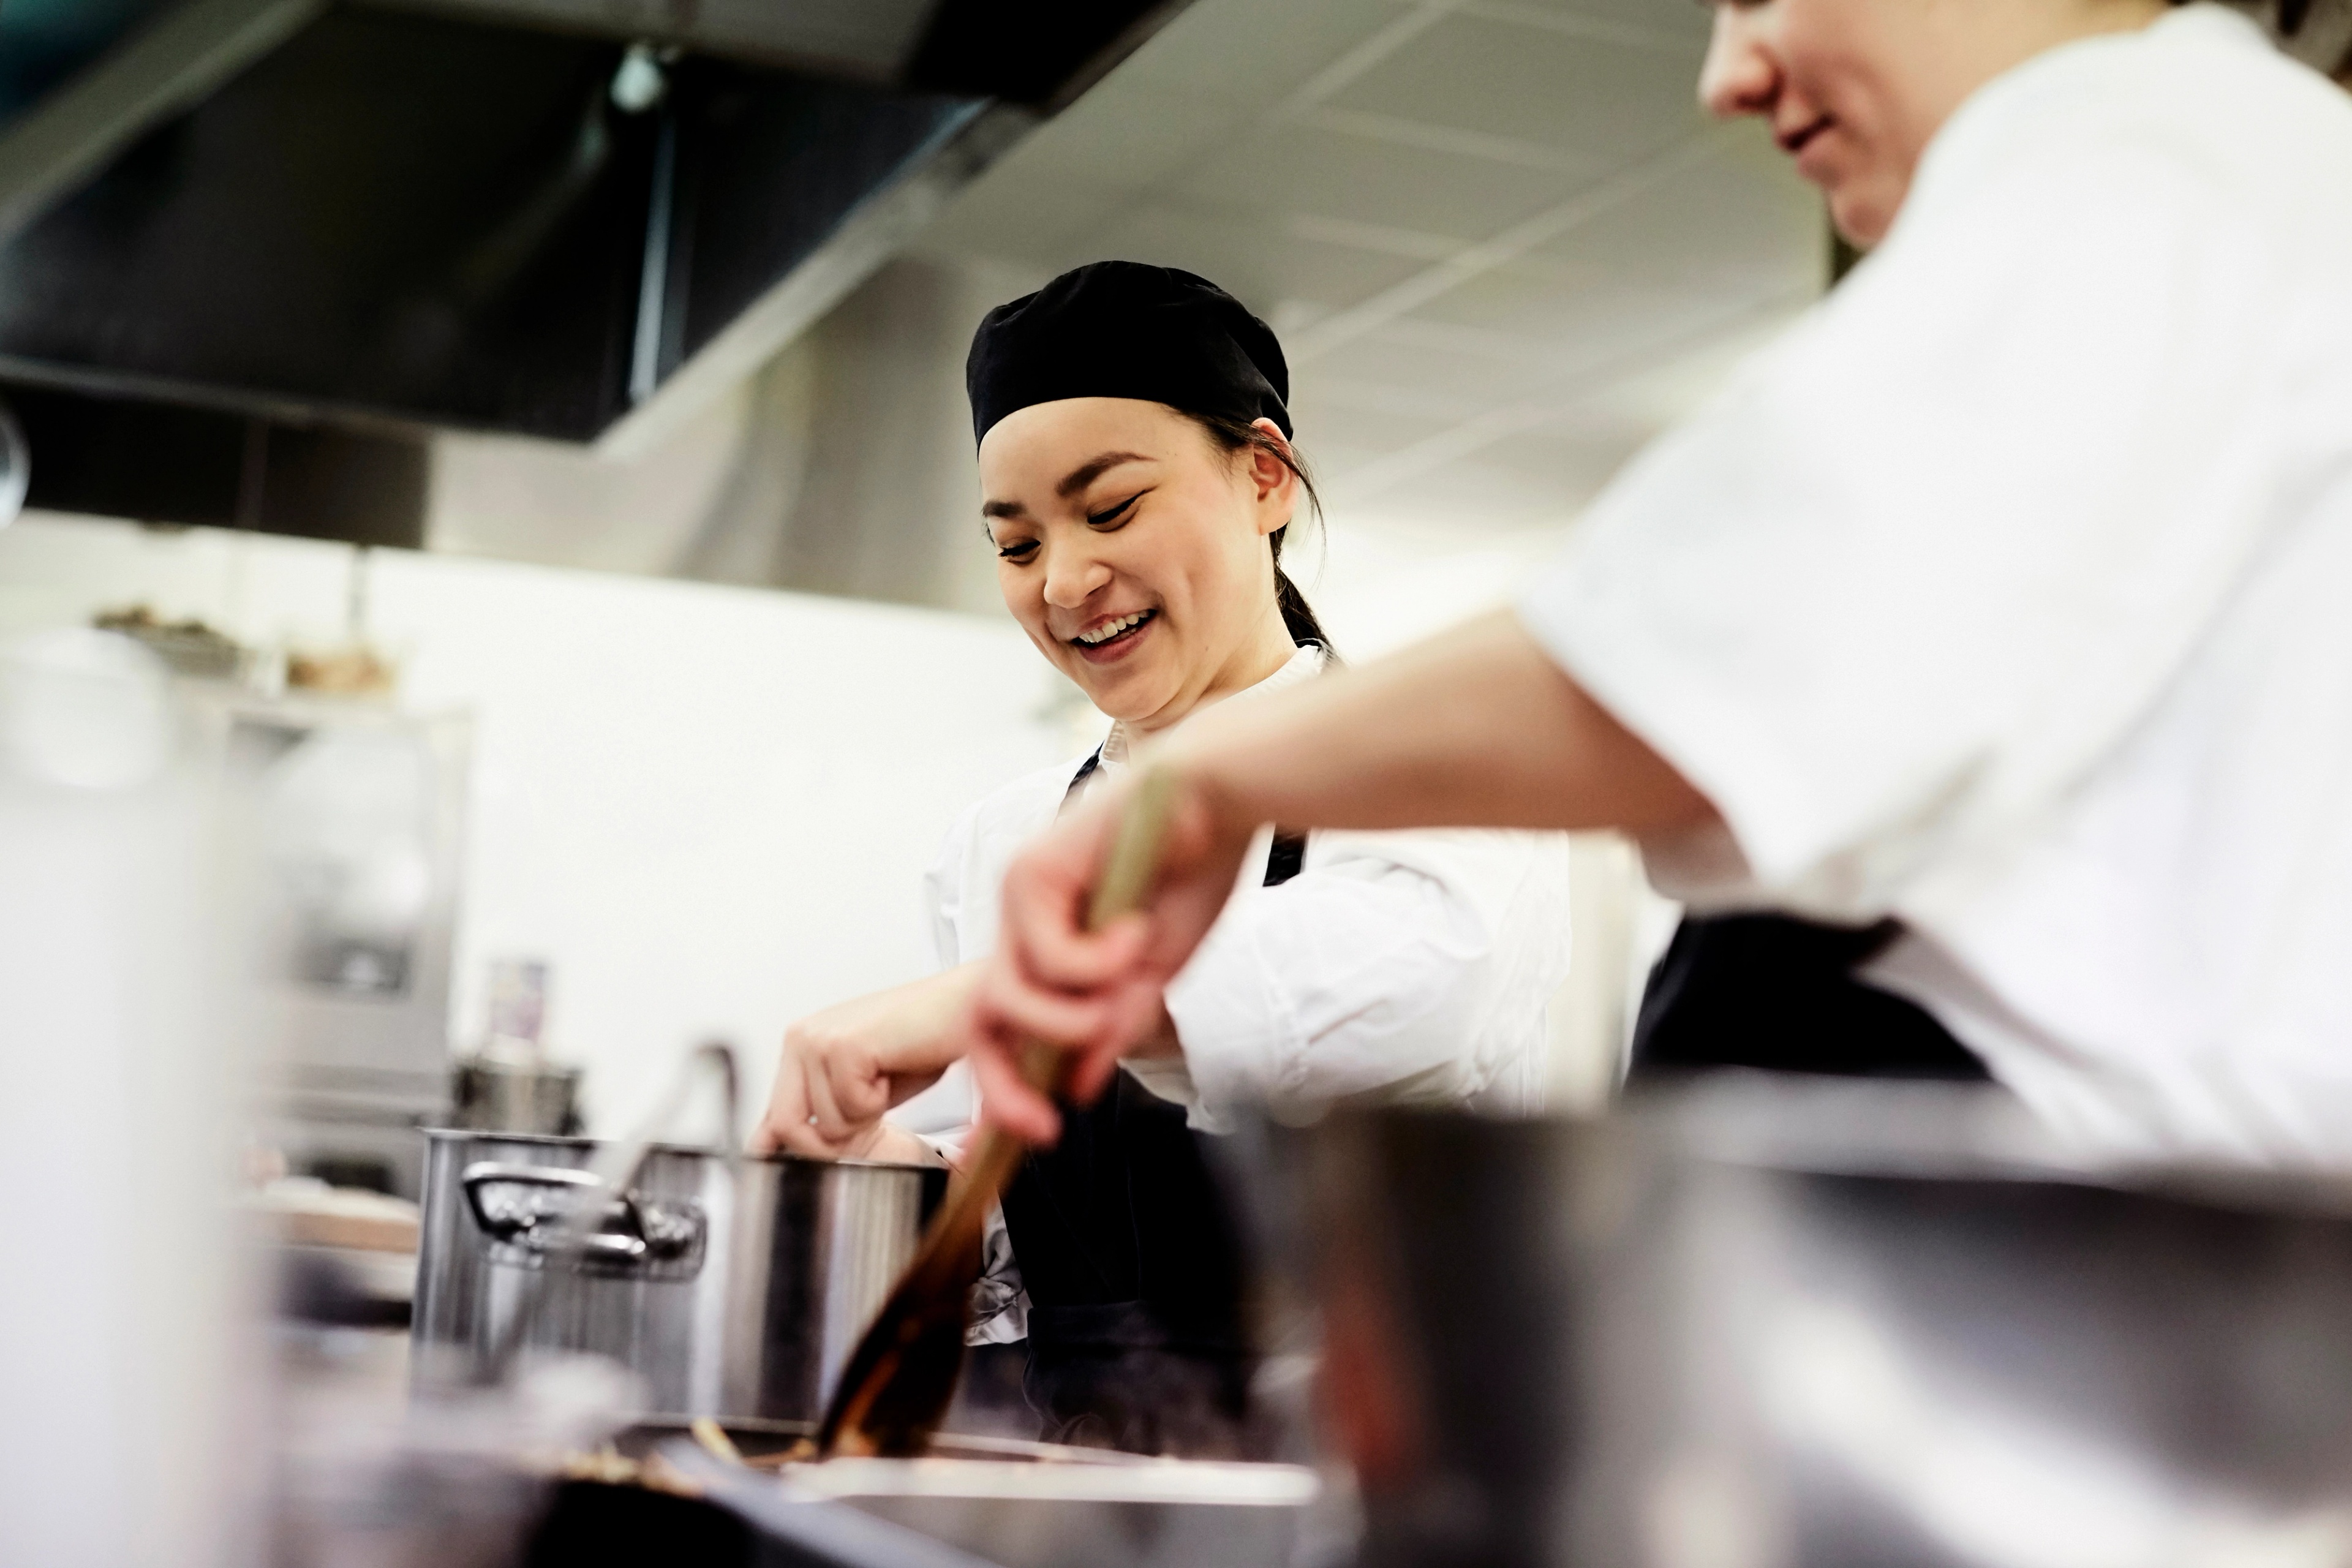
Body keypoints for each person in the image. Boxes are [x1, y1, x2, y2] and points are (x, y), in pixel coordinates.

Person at [965, 0, 2352, 1167]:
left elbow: (1698, 674)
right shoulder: (2247, 192)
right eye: (1015, 540)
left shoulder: (2151, 164)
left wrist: (1202, 784)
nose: (1725, 75)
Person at [752, 261, 1575, 1451]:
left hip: (1365, 1488)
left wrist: (988, 998)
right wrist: (891, 1175)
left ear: (1264, 476)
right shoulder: (1005, 838)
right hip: (1089, 1481)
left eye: (1112, 508)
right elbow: (1031, 1243)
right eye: (1017, 541)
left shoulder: (1431, 780)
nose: (1066, 581)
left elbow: (1405, 997)